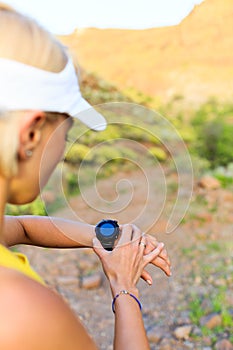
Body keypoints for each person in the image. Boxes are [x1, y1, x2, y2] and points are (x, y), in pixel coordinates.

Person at [0, 4, 171, 349]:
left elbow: (20, 227)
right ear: (31, 134)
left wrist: (109, 236)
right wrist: (124, 286)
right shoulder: (21, 313)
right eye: (66, 129)